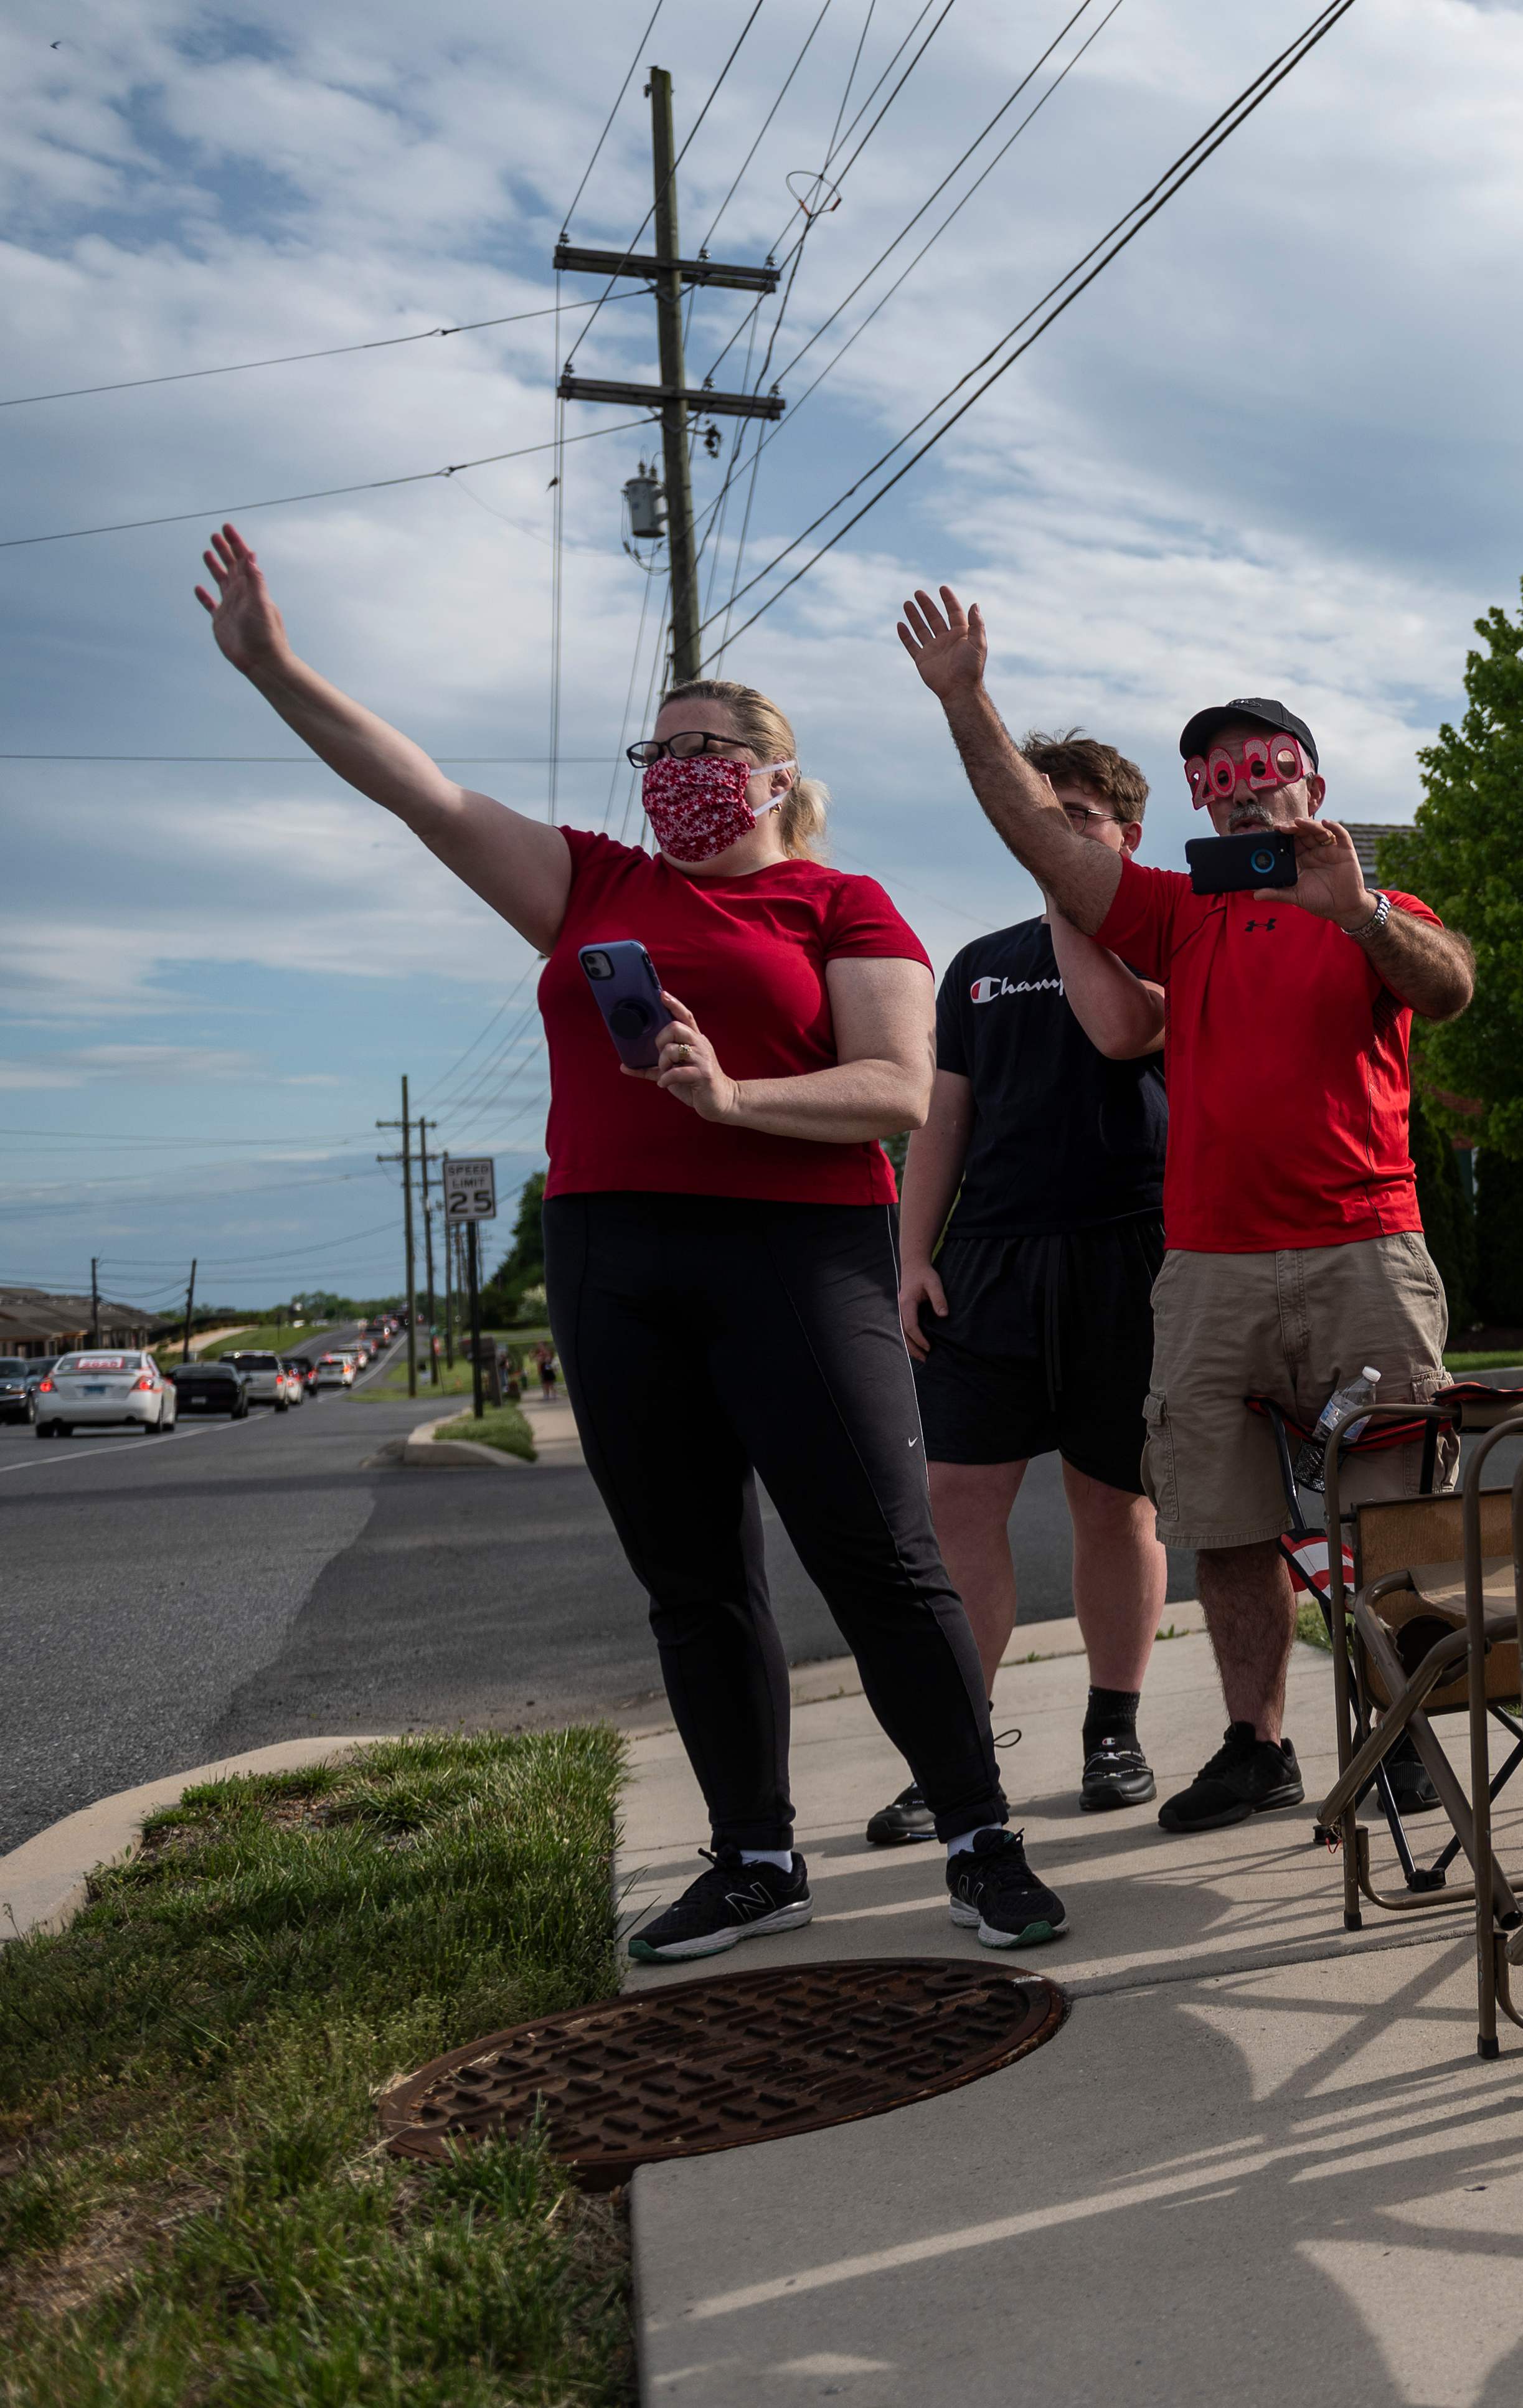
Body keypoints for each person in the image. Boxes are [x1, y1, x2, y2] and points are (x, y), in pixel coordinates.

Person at [192, 524, 1068, 1962]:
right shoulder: (594, 883)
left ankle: (979, 1832)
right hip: (613, 1257)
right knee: (689, 1571)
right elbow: (418, 790)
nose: (674, 771)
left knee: (879, 1557)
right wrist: (276, 667)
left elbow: (898, 1091)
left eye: (705, 745)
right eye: (654, 753)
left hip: (796, 1251)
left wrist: (733, 1096)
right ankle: (756, 1853)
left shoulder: (839, 903)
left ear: (777, 775)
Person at [896, 588, 1474, 1835]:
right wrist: (964, 699)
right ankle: (1253, 1743)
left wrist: (1360, 912)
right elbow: (1043, 843)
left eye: (1265, 769)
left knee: (1390, 1510)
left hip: (1362, 1248)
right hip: (1209, 1263)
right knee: (1222, 1517)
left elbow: (1452, 986)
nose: (1243, 792)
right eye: (1217, 776)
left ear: (1310, 781)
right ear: (1199, 799)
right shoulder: (1176, 911)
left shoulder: (1377, 913)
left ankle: (1402, 1734)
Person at [868, 729, 1174, 1845]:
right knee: (958, 1510)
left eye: (1081, 818)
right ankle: (956, 1752)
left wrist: (1084, 914)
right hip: (986, 1268)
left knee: (1114, 1505)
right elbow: (941, 1123)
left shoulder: (1162, 946)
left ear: (1126, 837)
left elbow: (1136, 1032)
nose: (1058, 834)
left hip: (1122, 1256)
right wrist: (910, 1260)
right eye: (1041, 815)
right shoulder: (978, 965)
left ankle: (1114, 1730)